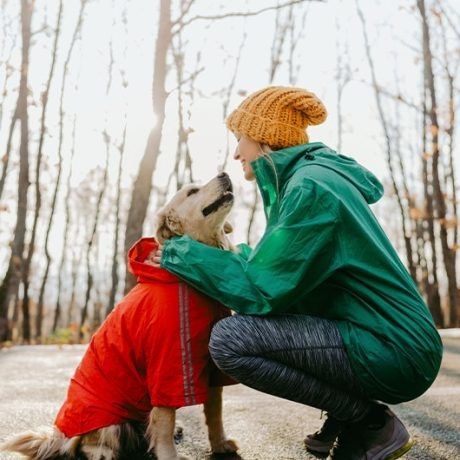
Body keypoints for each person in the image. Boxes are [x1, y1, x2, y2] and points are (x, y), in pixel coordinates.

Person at [153, 86, 443, 459]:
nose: (238, 152)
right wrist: (232, 255)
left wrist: (182, 254)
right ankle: (349, 416)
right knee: (272, 318)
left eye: (241, 139)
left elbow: (262, 290)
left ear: (265, 138)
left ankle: (367, 421)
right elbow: (277, 272)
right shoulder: (310, 180)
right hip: (382, 336)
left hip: (394, 348)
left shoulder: (311, 188)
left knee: (230, 340)